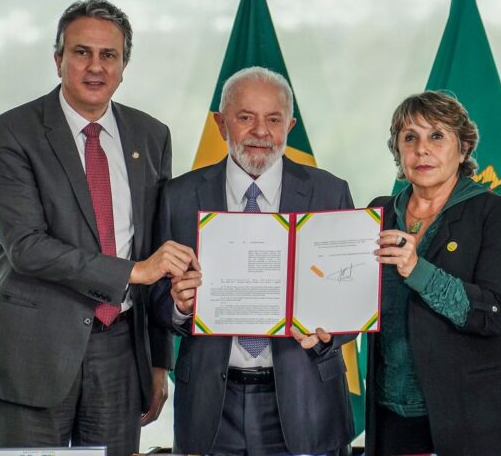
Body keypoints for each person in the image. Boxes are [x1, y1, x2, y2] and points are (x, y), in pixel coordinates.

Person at [0, 0, 198, 455]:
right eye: (81, 52)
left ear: (124, 65)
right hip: (33, 351)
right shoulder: (9, 133)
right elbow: (27, 247)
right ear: (58, 60)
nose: (95, 67)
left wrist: (157, 361)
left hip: (119, 350)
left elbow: (156, 249)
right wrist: (133, 272)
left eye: (108, 55)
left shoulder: (152, 136)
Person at [152, 66, 355, 456]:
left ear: (290, 125)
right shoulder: (179, 196)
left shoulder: (329, 192)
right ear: (220, 123)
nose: (261, 132)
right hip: (212, 404)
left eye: (273, 119)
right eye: (245, 117)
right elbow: (156, 302)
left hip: (306, 398)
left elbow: (351, 302)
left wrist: (331, 332)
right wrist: (178, 305)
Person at [367, 91, 501, 455]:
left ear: (464, 147)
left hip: (474, 417)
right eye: (410, 137)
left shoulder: (497, 214)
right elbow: (357, 302)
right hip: (391, 414)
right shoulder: (378, 213)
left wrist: (418, 270)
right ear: (398, 150)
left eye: (437, 136)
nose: (422, 149)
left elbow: (497, 313)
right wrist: (323, 330)